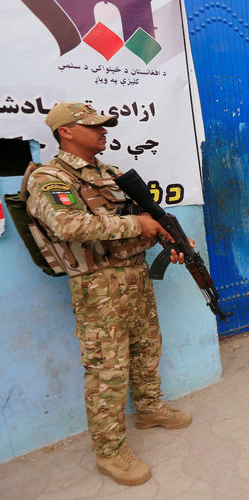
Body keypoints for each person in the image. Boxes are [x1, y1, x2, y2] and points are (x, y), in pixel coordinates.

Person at [26, 102, 192, 486]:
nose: (104, 131)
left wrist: (169, 239)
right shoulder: (49, 177)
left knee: (146, 347)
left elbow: (144, 220)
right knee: (107, 368)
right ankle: (110, 450)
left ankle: (149, 408)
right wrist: (137, 222)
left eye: (105, 126)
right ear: (65, 131)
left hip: (135, 273)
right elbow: (67, 224)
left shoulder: (112, 173)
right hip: (98, 284)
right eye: (94, 126)